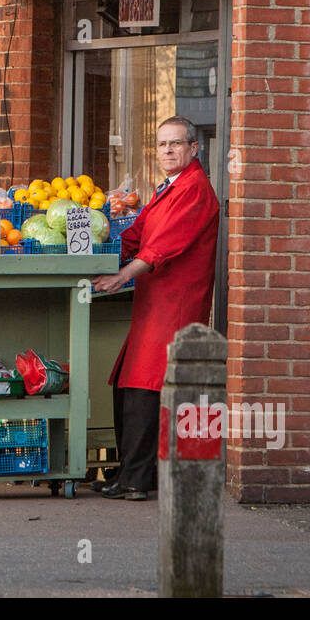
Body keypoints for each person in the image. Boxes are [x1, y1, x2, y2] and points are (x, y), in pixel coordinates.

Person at [89, 116, 219, 500]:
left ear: (193, 149)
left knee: (146, 387)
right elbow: (137, 233)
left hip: (175, 304)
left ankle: (136, 480)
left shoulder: (195, 189)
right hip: (152, 303)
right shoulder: (168, 188)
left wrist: (120, 275)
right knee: (126, 383)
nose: (167, 151)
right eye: (162, 144)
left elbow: (162, 247)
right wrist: (96, 247)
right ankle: (130, 473)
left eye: (176, 144)